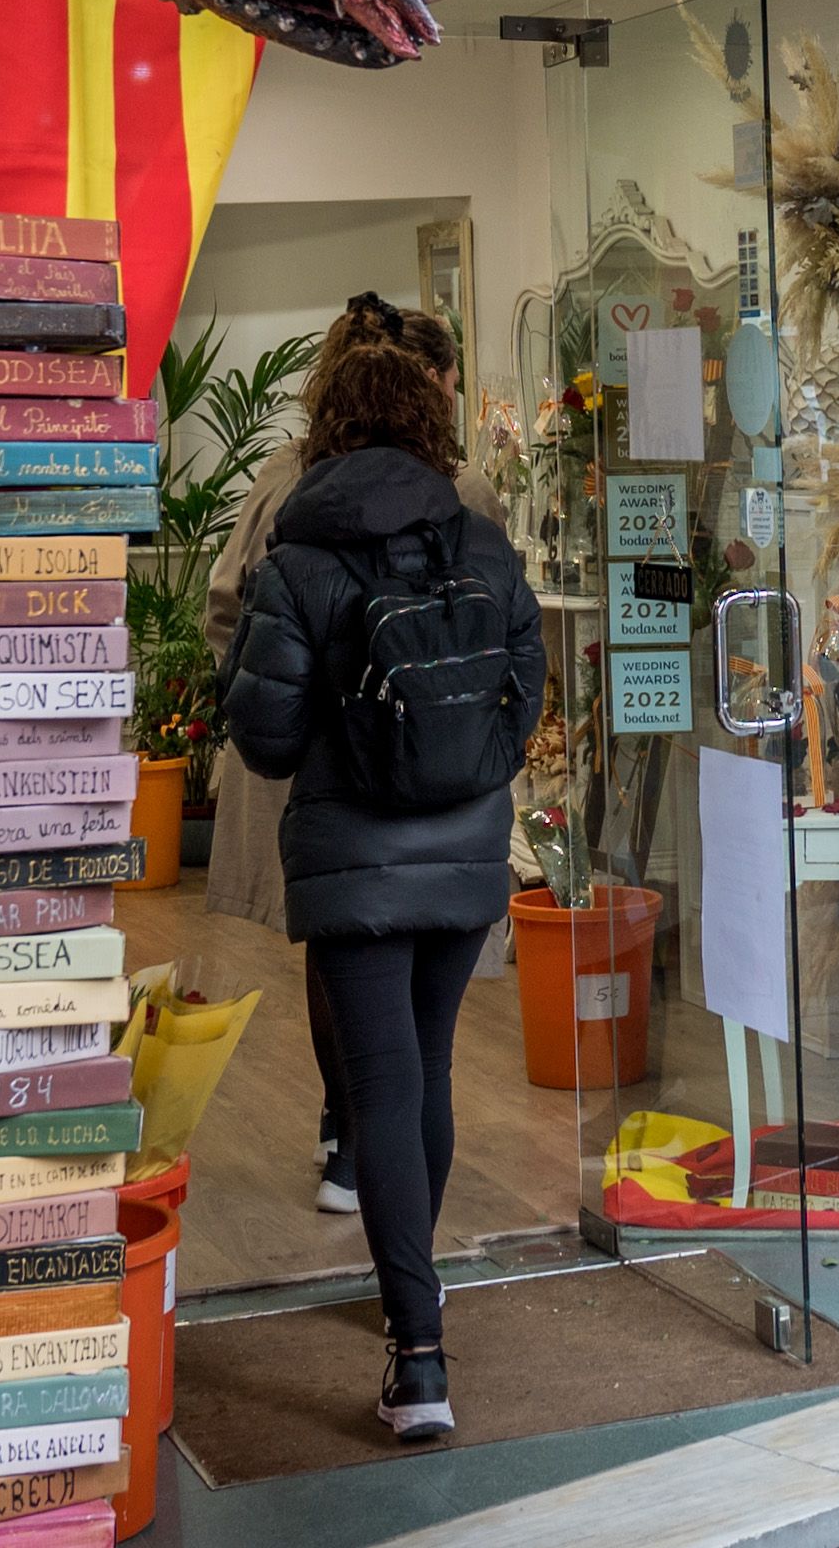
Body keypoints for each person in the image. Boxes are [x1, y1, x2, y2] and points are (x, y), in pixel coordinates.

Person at [218, 335, 543, 1442]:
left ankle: (420, 1358)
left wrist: (335, 735)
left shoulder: (300, 560)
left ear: (326, 429)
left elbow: (263, 740)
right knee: (427, 1070)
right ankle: (418, 1292)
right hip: (461, 856)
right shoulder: (485, 545)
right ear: (427, 423)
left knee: (382, 1090)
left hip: (353, 858)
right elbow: (525, 701)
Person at [207, 295, 504, 1216]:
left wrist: (279, 708)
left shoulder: (288, 482)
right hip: (442, 783)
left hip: (321, 775)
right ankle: (406, 1266)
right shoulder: (467, 500)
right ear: (432, 389)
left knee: (344, 958)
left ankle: (348, 1139)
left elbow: (226, 611)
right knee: (426, 1034)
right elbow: (511, 644)